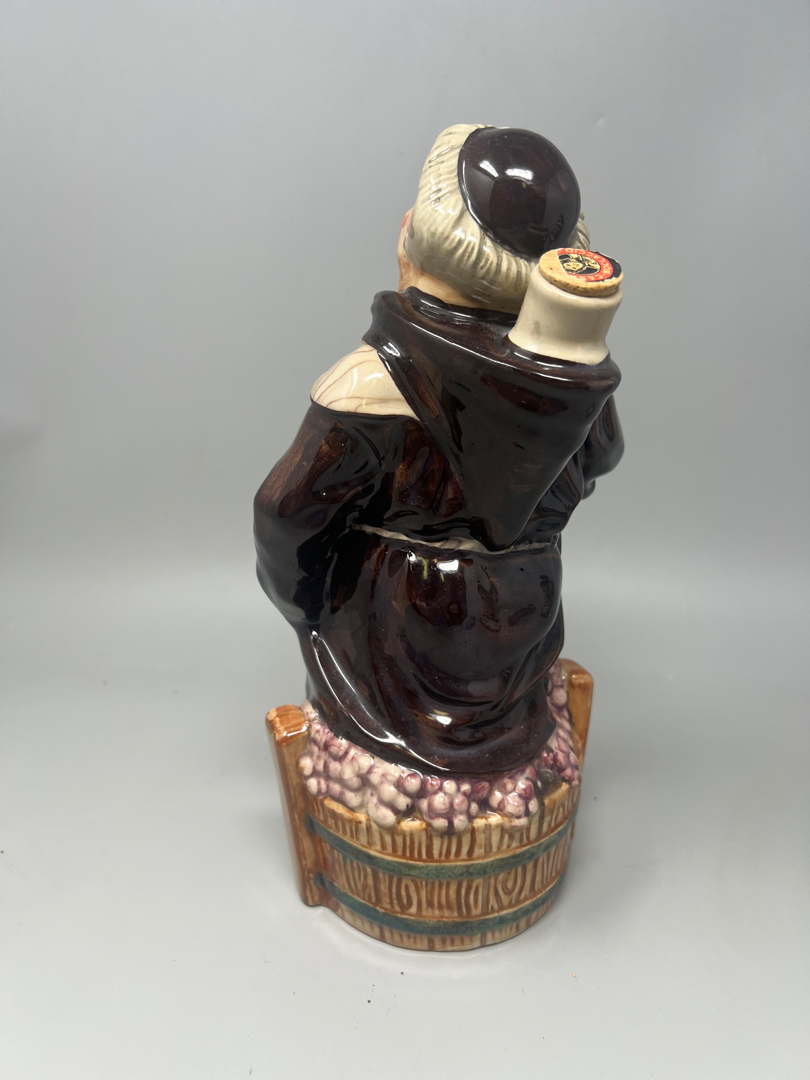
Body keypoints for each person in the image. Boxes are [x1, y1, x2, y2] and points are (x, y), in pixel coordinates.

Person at [254, 124, 623, 777]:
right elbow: (600, 458)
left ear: (413, 235)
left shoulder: (370, 385)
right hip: (525, 614)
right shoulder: (571, 386)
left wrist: (311, 612)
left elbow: (286, 515)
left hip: (396, 651)